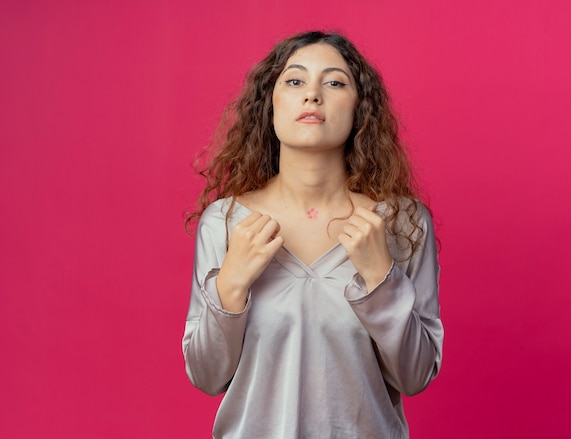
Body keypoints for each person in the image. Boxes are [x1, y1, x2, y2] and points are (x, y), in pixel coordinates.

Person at [182, 30, 443, 439]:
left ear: (360, 109)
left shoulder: (402, 223)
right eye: (295, 80)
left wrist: (381, 280)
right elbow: (205, 374)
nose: (313, 95)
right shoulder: (224, 221)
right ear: (270, 105)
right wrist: (230, 285)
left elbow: (416, 375)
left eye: (335, 82)